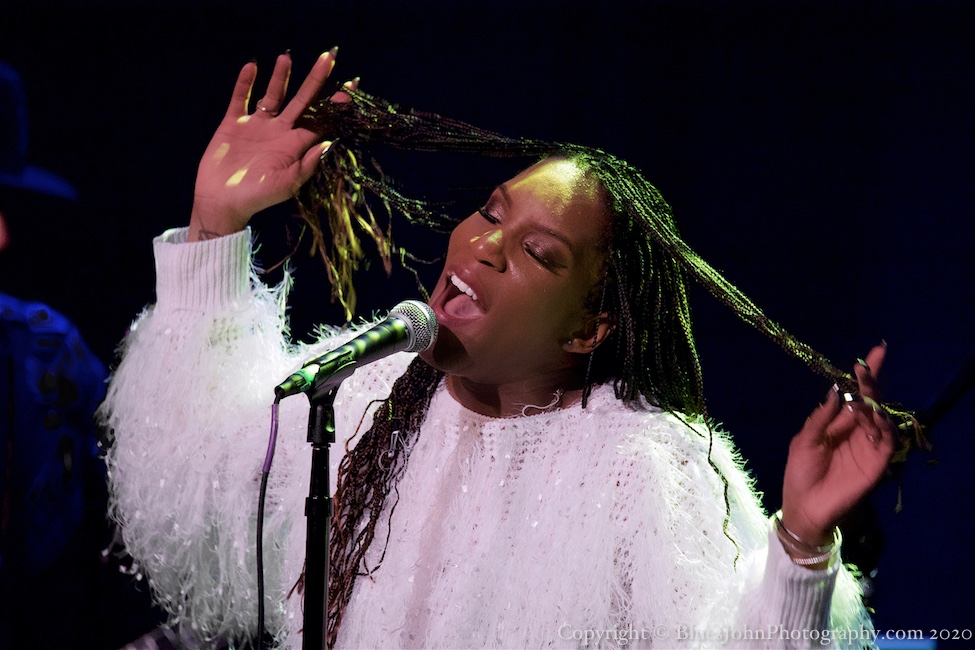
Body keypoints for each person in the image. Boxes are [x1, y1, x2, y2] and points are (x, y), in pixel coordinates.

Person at [101, 50, 902, 649]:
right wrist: (214, 227)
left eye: (539, 253)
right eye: (490, 211)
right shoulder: (358, 389)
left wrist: (797, 544)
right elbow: (190, 505)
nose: (482, 247)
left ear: (588, 328)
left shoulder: (640, 465)